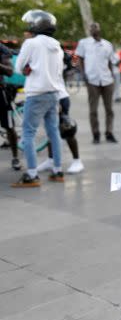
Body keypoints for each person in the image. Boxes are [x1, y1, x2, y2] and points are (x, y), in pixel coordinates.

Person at [11, 10, 64, 188]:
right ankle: (58, 170)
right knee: (53, 133)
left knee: (28, 133)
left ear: (35, 25)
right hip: (53, 93)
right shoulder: (57, 45)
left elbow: (18, 68)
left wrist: (29, 68)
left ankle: (32, 175)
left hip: (36, 93)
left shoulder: (31, 44)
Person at [76, 22, 117, 143]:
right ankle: (96, 134)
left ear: (99, 29)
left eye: (95, 27)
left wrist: (112, 76)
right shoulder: (84, 43)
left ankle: (109, 133)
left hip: (107, 80)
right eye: (91, 27)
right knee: (93, 110)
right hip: (92, 80)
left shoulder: (107, 44)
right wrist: (84, 75)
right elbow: (80, 59)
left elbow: (110, 61)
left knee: (109, 109)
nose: (92, 29)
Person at [0, 41, 20, 170]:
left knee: (9, 126)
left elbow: (10, 71)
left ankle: (15, 157)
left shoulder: (2, 50)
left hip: (1, 95)